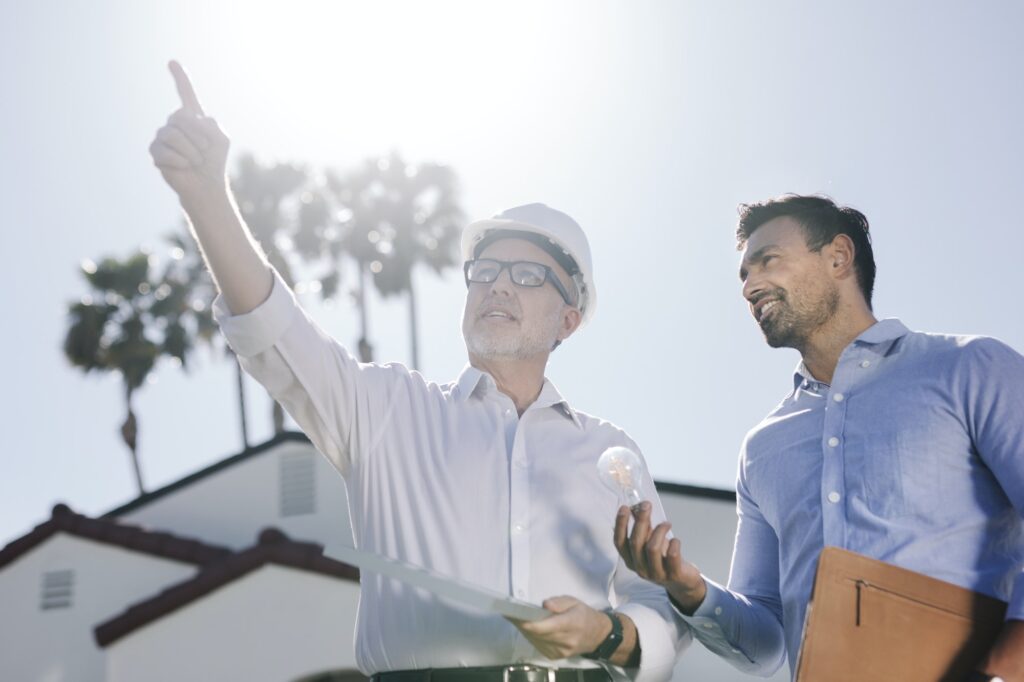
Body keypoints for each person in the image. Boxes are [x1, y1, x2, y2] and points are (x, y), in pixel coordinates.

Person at [149, 61, 688, 682]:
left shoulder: (611, 452)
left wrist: (608, 633)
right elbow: (275, 333)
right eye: (486, 272)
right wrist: (206, 196)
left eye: (528, 275)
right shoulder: (386, 407)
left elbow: (660, 602)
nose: (499, 286)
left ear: (568, 320)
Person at [615, 194, 1024, 681]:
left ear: (838, 257)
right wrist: (691, 591)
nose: (749, 287)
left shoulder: (970, 368)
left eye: (768, 260)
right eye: (743, 274)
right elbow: (765, 645)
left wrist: (1010, 657)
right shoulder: (762, 449)